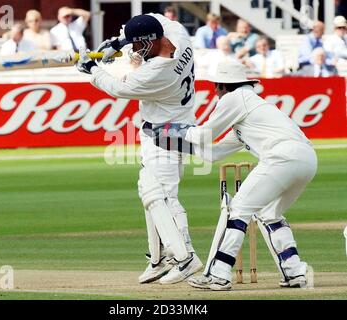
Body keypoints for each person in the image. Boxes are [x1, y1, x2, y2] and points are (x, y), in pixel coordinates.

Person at [153, 61, 317, 291]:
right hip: (307, 160)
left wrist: (171, 129)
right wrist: (176, 144)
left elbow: (205, 133)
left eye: (216, 87)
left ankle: (219, 274)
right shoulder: (249, 110)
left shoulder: (235, 98)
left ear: (222, 86)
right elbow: (214, 153)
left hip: (281, 156)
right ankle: (295, 271)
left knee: (238, 209)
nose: (215, 93)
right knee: (270, 213)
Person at [76, 13, 202, 285]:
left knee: (164, 196)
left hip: (167, 134)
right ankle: (159, 259)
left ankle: (186, 256)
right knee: (148, 191)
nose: (134, 51)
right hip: (165, 128)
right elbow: (156, 19)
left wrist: (91, 69)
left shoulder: (157, 71)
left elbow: (117, 87)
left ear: (149, 41)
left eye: (137, 45)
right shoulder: (180, 37)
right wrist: (119, 42)